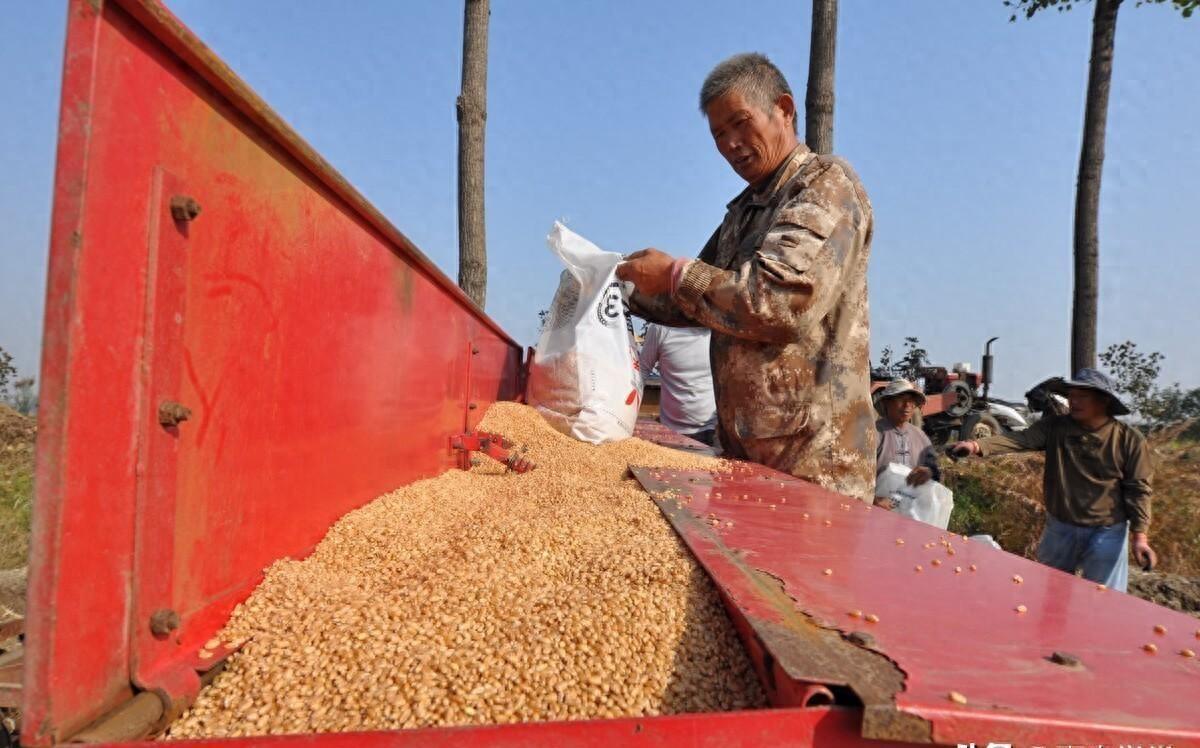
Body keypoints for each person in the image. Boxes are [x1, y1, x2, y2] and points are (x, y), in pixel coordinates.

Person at [616, 52, 875, 501]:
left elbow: (777, 303)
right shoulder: (744, 211)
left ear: (785, 110)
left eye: (740, 123)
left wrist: (676, 272)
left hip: (814, 464)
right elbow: (692, 300)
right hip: (747, 455)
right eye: (719, 134)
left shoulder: (823, 186)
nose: (731, 143)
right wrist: (617, 284)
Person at [951, 368, 1155, 592]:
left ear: (1103, 401)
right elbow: (1020, 439)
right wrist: (977, 445)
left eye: (1082, 396)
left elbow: (1139, 489)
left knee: (1103, 599)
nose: (1073, 401)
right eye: (1072, 395)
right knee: (1050, 593)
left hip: (1107, 532)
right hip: (1061, 526)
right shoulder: (1055, 428)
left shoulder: (1129, 440)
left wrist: (1140, 536)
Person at [638, 324, 718, 445]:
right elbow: (641, 372)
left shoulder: (717, 330)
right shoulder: (661, 328)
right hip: (670, 433)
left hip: (713, 431)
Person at [874, 379, 940, 509]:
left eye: (911, 400)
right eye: (901, 399)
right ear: (887, 402)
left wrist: (929, 472)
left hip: (909, 509)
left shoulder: (921, 437)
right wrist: (872, 499)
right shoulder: (873, 432)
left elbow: (935, 469)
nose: (907, 405)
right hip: (877, 509)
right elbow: (856, 475)